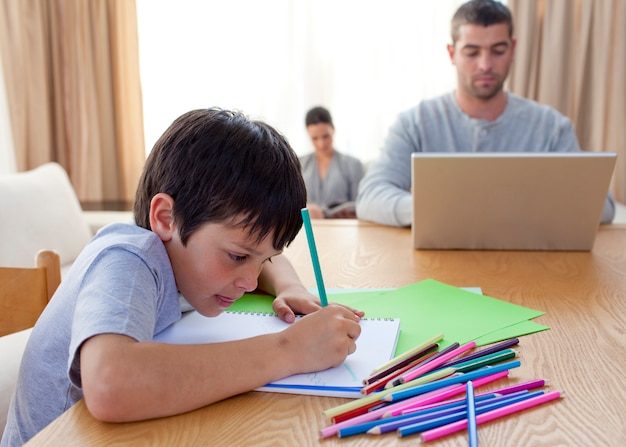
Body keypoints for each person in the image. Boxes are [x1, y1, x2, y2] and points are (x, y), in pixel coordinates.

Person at [0, 108, 364, 446]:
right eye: (237, 257)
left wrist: (290, 286)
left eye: (261, 257)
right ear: (166, 218)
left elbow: (262, 256)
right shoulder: (127, 259)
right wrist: (290, 349)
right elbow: (110, 383)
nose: (250, 281)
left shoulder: (188, 257)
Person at [356, 0, 615, 226]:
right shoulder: (415, 123)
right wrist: (438, 212)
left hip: (531, 267)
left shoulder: (552, 127)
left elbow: (603, 206)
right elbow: (370, 196)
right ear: (452, 53)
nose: (486, 65)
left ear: (512, 50)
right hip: (436, 267)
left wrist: (509, 212)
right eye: (472, 52)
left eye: (498, 51)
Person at [300, 106, 365, 218]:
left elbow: (361, 207)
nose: (321, 144)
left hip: (342, 230)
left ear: (333, 129)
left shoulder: (353, 165)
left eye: (326, 136)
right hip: (308, 229)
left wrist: (323, 214)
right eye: (315, 138)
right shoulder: (299, 164)